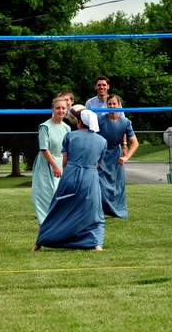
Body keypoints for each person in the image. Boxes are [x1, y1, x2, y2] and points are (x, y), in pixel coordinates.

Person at [32, 108, 107, 251]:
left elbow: (65, 161)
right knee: (93, 212)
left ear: (79, 122)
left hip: (70, 175)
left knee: (58, 208)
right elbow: (98, 163)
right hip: (90, 177)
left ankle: (39, 243)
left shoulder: (70, 136)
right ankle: (96, 243)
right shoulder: (102, 141)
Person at [31, 97, 71, 227]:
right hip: (46, 164)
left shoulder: (67, 128)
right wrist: (55, 166)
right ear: (52, 109)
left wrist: (64, 165)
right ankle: (43, 227)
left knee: (59, 195)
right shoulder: (45, 127)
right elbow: (44, 149)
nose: (61, 110)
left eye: (63, 108)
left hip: (60, 163)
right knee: (45, 195)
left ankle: (57, 225)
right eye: (58, 108)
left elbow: (66, 149)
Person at [97, 94, 139, 218]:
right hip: (102, 155)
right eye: (109, 104)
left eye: (114, 104)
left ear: (119, 105)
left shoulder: (126, 122)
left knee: (117, 185)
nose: (112, 106)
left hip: (116, 156)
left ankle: (118, 211)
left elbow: (135, 143)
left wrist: (126, 157)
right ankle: (101, 211)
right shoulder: (100, 121)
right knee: (100, 184)